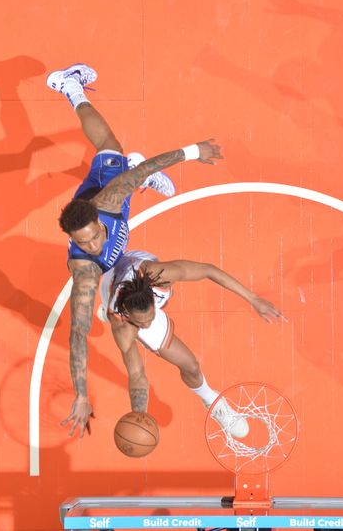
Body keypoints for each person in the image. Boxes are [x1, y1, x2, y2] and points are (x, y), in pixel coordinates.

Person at [46, 64, 224, 437]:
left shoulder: (109, 201)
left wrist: (194, 151)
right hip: (110, 272)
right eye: (86, 243)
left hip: (110, 193)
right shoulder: (85, 270)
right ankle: (127, 154)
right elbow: (78, 334)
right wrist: (81, 394)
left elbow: (148, 168)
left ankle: (69, 86)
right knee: (98, 310)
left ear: (97, 221)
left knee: (111, 147)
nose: (95, 244)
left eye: (95, 236)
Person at [97, 250, 284, 438]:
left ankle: (210, 399)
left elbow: (207, 270)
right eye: (141, 323)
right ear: (128, 315)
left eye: (151, 317)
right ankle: (105, 311)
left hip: (136, 264)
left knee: (192, 368)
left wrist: (253, 299)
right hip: (111, 289)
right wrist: (139, 416)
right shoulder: (122, 325)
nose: (147, 325)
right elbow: (137, 374)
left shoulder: (159, 275)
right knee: (186, 363)